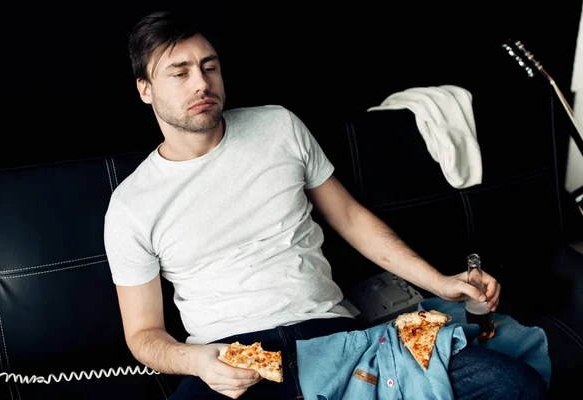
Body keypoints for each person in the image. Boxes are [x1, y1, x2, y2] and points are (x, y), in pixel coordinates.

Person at [103, 10, 548, 400]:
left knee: (514, 384)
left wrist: (440, 281)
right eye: (179, 73)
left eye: (209, 67)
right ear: (146, 90)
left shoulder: (278, 125)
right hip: (235, 358)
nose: (202, 83)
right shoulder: (131, 206)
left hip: (340, 339)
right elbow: (144, 334)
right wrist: (198, 362)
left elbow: (351, 219)